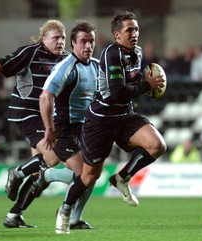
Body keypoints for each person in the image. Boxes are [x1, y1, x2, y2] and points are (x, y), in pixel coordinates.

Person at [54, 10, 167, 234]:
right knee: (89, 176)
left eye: (136, 29)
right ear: (117, 35)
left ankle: (121, 178)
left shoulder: (137, 52)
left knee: (158, 145)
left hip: (124, 116)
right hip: (101, 122)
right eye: (129, 30)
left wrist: (144, 81)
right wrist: (147, 85)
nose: (134, 34)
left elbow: (130, 86)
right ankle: (65, 211)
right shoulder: (110, 55)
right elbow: (117, 93)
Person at [0, 20, 70, 228]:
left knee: (40, 175)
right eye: (55, 37)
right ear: (44, 38)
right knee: (52, 157)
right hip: (28, 114)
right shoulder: (29, 53)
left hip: (50, 117)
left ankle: (14, 215)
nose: (60, 42)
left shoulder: (66, 59)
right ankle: (17, 172)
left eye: (63, 38)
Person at [32, 20, 98, 229]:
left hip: (84, 129)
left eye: (91, 42)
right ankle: (47, 176)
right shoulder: (66, 67)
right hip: (63, 129)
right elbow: (45, 98)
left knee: (91, 176)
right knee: (83, 175)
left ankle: (76, 218)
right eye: (83, 42)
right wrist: (49, 128)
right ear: (73, 44)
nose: (88, 46)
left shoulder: (96, 66)